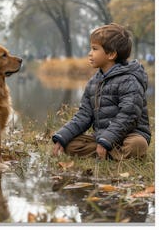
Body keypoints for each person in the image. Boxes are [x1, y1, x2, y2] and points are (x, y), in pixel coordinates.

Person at [52, 23, 151, 160]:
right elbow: (83, 115)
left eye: (94, 49)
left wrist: (107, 139)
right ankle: (112, 155)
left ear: (111, 54)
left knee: (137, 144)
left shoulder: (129, 80)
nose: (89, 53)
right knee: (70, 144)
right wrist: (62, 137)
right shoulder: (94, 82)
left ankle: (109, 154)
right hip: (102, 137)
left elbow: (128, 115)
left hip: (129, 136)